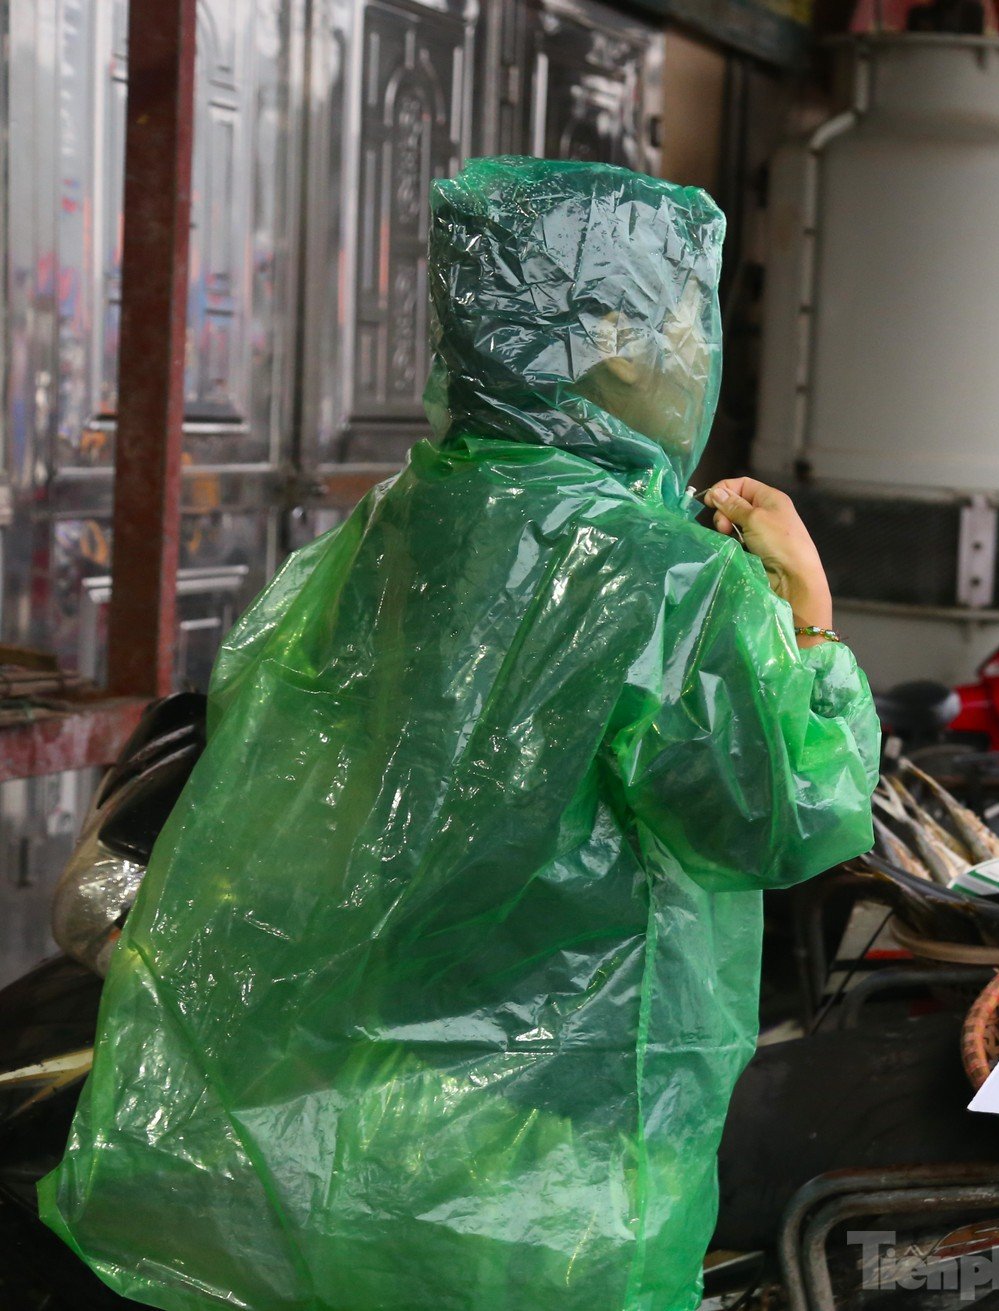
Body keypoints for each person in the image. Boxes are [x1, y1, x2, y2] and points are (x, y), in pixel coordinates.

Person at [43, 159, 878, 1311]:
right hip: (535, 1195)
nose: (697, 352)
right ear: (610, 340)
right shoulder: (671, 579)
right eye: (687, 314)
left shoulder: (365, 545)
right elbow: (790, 817)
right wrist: (810, 622)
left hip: (313, 1155)